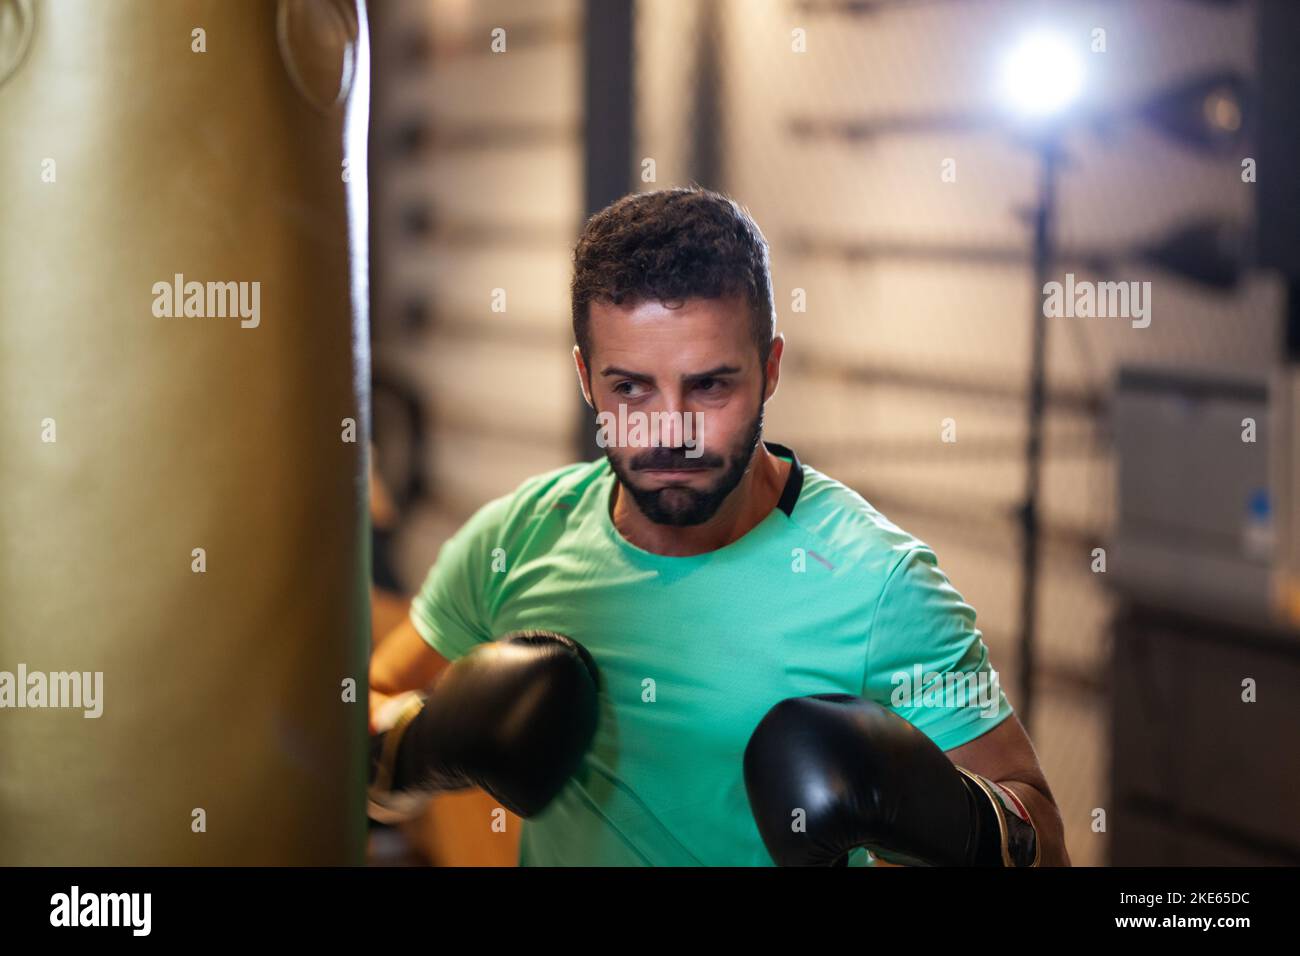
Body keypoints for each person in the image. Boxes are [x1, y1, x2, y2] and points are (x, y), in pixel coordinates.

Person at [368, 186, 1070, 866]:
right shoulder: (517, 537)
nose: (671, 433)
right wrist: (419, 747)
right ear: (586, 378)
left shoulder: (881, 583)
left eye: (710, 385)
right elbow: (361, 705)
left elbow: (1038, 825)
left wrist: (954, 819)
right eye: (631, 387)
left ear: (769, 369)